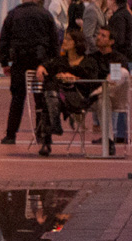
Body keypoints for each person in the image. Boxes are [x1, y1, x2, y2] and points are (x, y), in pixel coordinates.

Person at [0, 0, 59, 145]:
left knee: (17, 99)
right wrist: (52, 63)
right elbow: (54, 42)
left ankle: (10, 134)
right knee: (41, 99)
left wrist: (4, 62)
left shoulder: (13, 15)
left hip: (19, 62)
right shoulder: (45, 14)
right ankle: (42, 133)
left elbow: (4, 40)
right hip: (40, 64)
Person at [32, 27, 108, 157]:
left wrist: (75, 78)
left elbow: (93, 82)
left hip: (79, 97)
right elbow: (47, 65)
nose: (64, 41)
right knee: (50, 90)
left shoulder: (89, 62)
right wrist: (41, 67)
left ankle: (49, 136)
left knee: (49, 98)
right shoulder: (60, 61)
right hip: (61, 98)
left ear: (76, 43)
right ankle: (53, 127)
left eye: (68, 39)